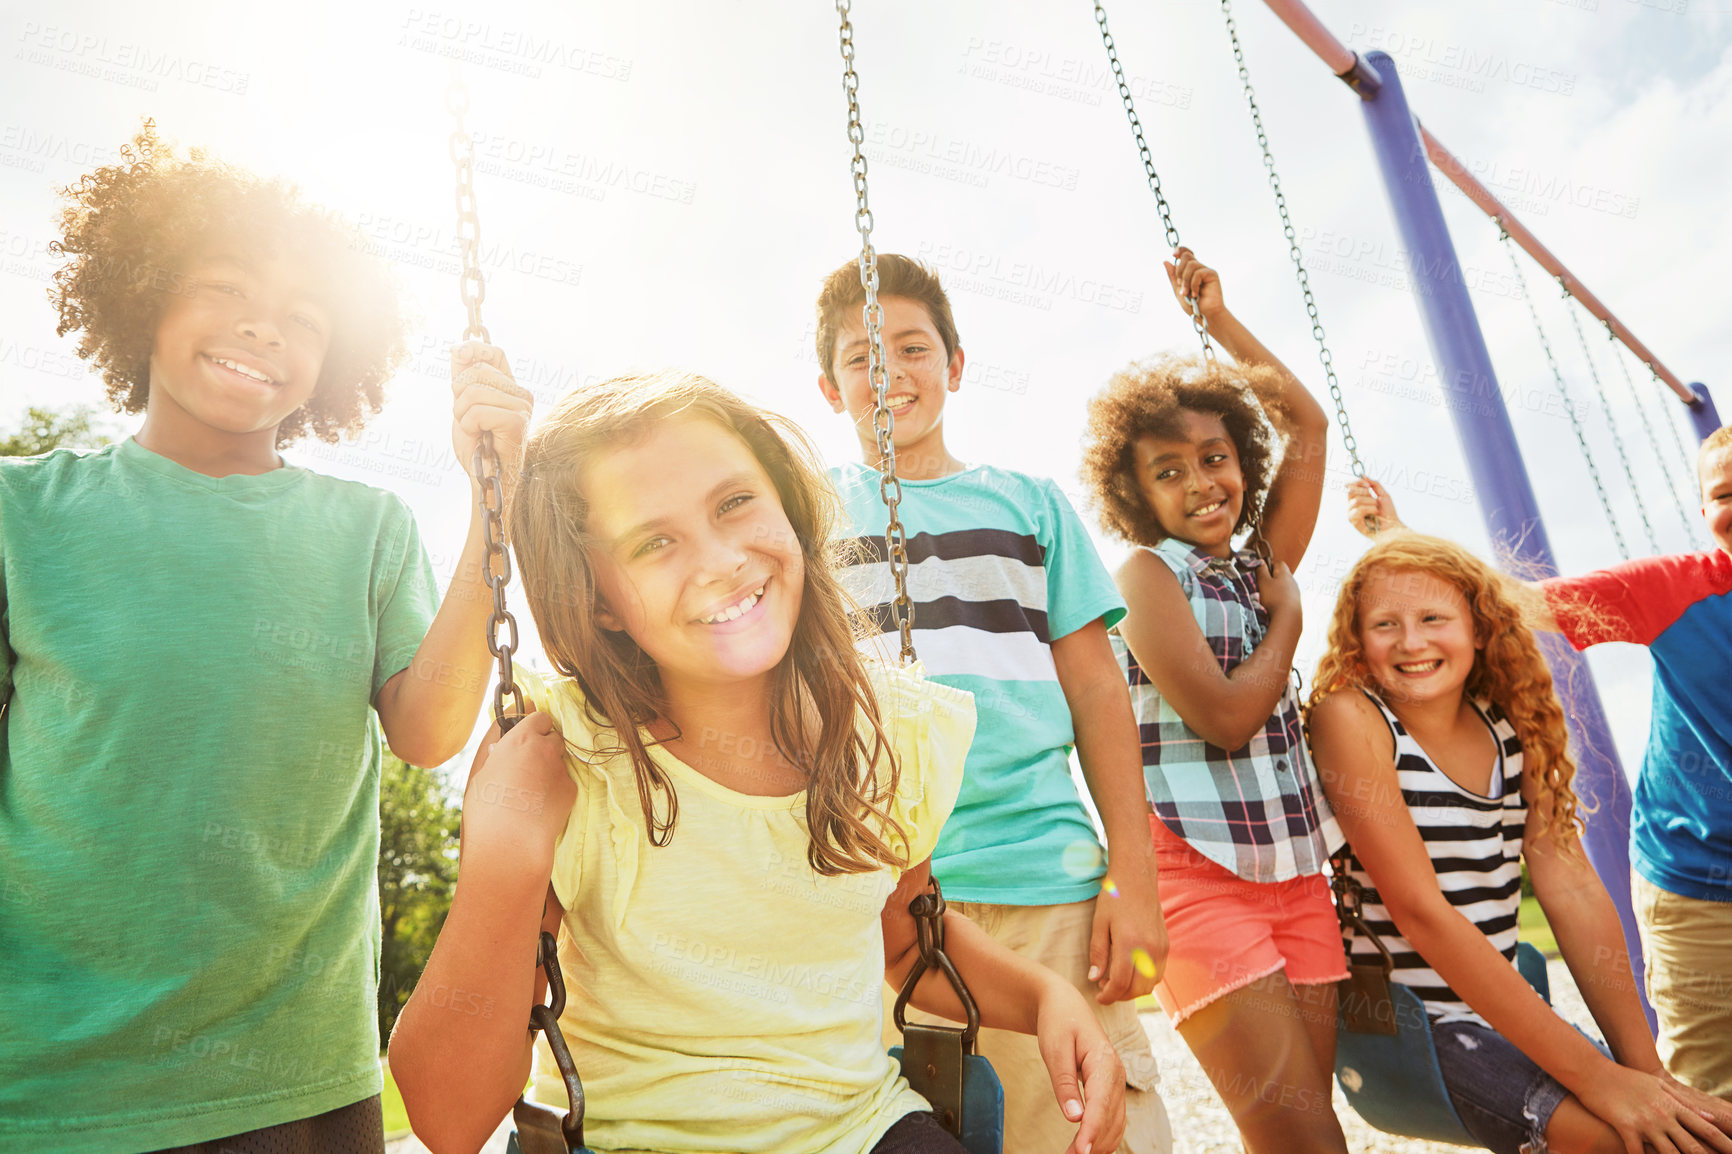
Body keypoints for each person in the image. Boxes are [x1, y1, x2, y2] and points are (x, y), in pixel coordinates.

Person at [387, 371, 1128, 1154]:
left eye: (734, 502)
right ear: (597, 598)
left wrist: (1048, 998)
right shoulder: (558, 763)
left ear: (786, 503)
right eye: (653, 541)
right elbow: (448, 1118)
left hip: (861, 1130)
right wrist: (506, 863)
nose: (721, 561)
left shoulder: (882, 732)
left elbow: (908, 941)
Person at [0, 123, 531, 1153]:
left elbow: (427, 731)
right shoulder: (25, 514)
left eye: (302, 316)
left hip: (294, 1082)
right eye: (227, 289)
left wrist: (488, 500)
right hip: (53, 1076)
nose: (263, 328)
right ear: (144, 293)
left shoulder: (364, 529)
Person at [813, 255, 1173, 1153]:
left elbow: (1098, 695)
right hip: (883, 902)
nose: (888, 373)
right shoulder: (807, 517)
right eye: (862, 357)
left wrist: (1134, 878)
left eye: (912, 348)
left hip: (1041, 878)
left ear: (956, 366)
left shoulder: (1029, 506)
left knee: (1086, 1126)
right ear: (830, 388)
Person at [1305, 520, 1732, 1153]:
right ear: (1356, 639)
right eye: (1385, 624)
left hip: (1504, 1007)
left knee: (1692, 1131)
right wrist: (1597, 1079)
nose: (1411, 641)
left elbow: (1573, 886)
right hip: (1419, 1024)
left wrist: (1645, 1074)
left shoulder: (1509, 723)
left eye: (1433, 618)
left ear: (1479, 628)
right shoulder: (1354, 718)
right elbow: (1422, 913)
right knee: (1625, 1143)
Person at [1079, 248, 1347, 1152]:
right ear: (1135, 492)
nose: (1201, 484)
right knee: (1303, 1143)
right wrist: (1288, 626)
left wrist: (1219, 320)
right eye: (1170, 472)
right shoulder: (1147, 577)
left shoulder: (1256, 562)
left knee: (1316, 1138)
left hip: (1295, 874)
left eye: (1216, 457)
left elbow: (1305, 422)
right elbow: (1228, 718)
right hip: (1195, 876)